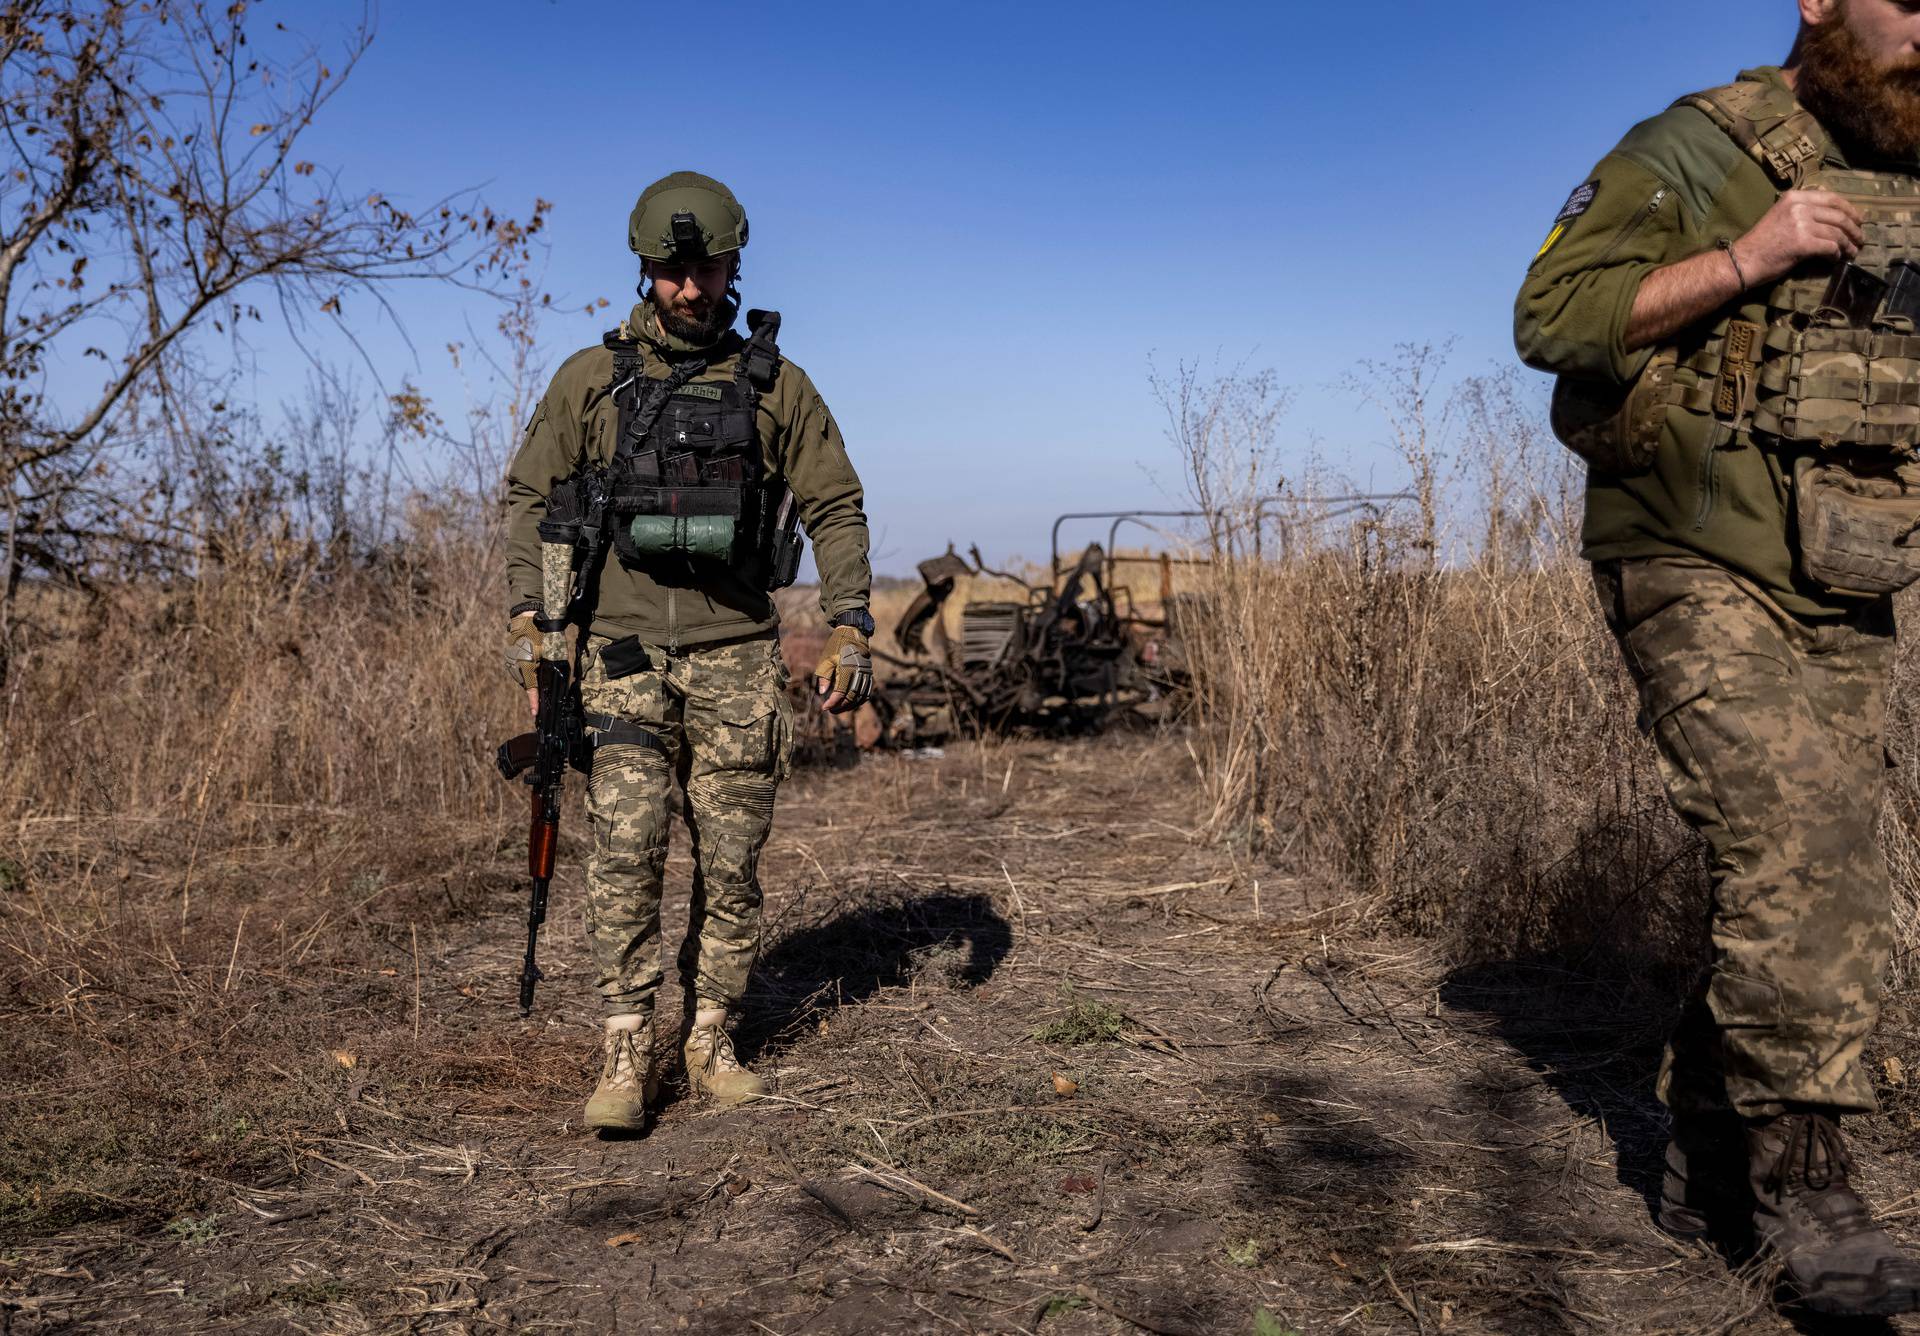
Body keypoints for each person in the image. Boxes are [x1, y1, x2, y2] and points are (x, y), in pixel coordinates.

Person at [1516, 0, 1920, 1316]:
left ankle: (1707, 1133)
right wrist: (1748, 256)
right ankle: (1809, 1185)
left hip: (1847, 566)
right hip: (1688, 547)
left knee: (1847, 860)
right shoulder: (1696, 149)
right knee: (1807, 843)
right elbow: (1551, 314)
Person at [504, 172, 876, 1132]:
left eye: (707, 268)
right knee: (625, 853)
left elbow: (835, 502)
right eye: (673, 272)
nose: (691, 288)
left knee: (733, 860)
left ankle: (711, 1038)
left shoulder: (777, 386)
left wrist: (849, 622)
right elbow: (530, 499)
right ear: (643, 270)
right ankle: (626, 1052)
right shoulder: (591, 380)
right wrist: (533, 626)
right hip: (621, 658)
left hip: (739, 659)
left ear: (732, 268)